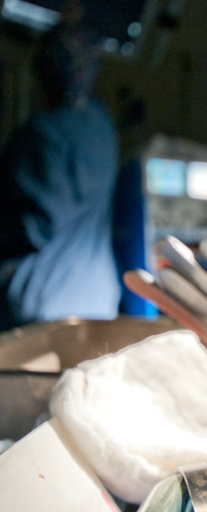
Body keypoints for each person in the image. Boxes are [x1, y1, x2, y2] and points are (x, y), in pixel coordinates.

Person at [0, 7, 121, 330]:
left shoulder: (41, 134)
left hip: (41, 304)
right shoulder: (102, 126)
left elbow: (33, 226)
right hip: (97, 300)